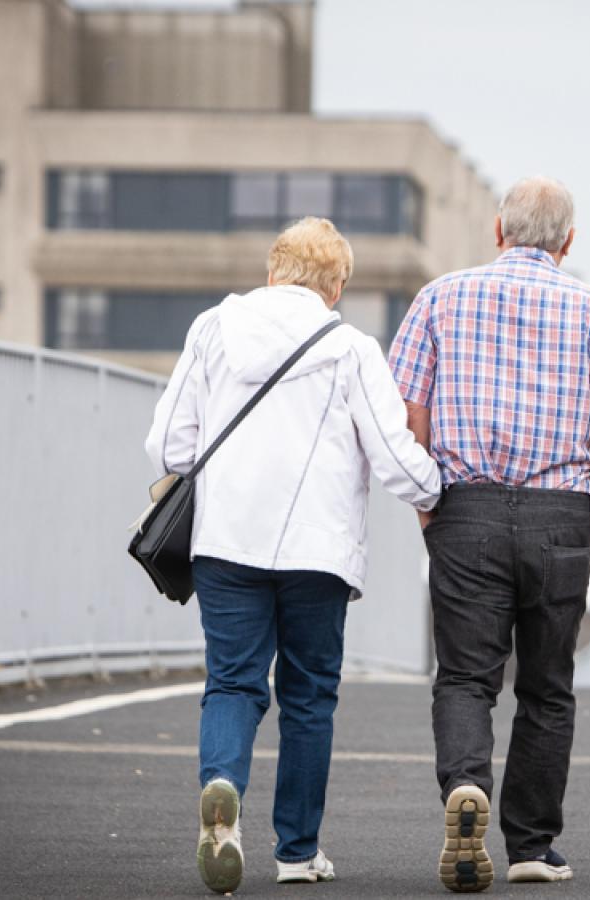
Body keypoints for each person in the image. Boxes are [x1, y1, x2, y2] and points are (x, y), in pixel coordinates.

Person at [146, 217, 442, 894]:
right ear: (335, 287)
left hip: (225, 541)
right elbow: (395, 456)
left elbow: (168, 445)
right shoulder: (350, 348)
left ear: (273, 270)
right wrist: (436, 491)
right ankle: (298, 853)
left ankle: (222, 787)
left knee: (233, 682)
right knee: (308, 696)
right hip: (319, 549)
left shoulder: (212, 329)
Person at [389, 176, 590, 892]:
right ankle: (532, 845)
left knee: (467, 678)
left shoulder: (439, 298)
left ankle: (464, 789)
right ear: (569, 242)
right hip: (559, 516)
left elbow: (409, 409)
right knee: (546, 686)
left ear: (498, 231)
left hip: (464, 508)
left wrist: (428, 503)